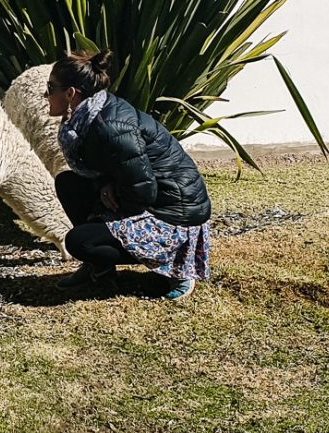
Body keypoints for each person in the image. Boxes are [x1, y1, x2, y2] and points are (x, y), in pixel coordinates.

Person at [45, 48, 211, 300]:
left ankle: (176, 265)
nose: (45, 94)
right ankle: (99, 268)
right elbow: (111, 166)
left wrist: (112, 201)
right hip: (149, 194)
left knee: (80, 243)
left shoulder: (110, 127)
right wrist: (105, 183)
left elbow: (143, 191)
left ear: (70, 94)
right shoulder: (90, 115)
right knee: (69, 183)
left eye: (50, 87)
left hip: (175, 213)